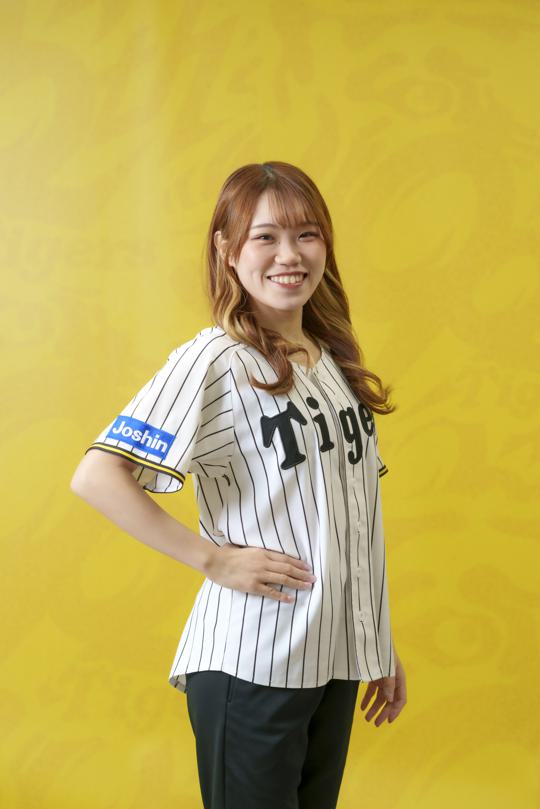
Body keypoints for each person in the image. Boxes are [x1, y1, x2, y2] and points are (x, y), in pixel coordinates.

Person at [70, 160, 407, 809]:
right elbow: (96, 475)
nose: (290, 255)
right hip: (253, 659)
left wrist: (376, 638)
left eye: (306, 234)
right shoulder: (216, 358)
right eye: (265, 236)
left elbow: (349, 515)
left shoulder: (330, 361)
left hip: (333, 656)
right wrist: (213, 559)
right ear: (227, 250)